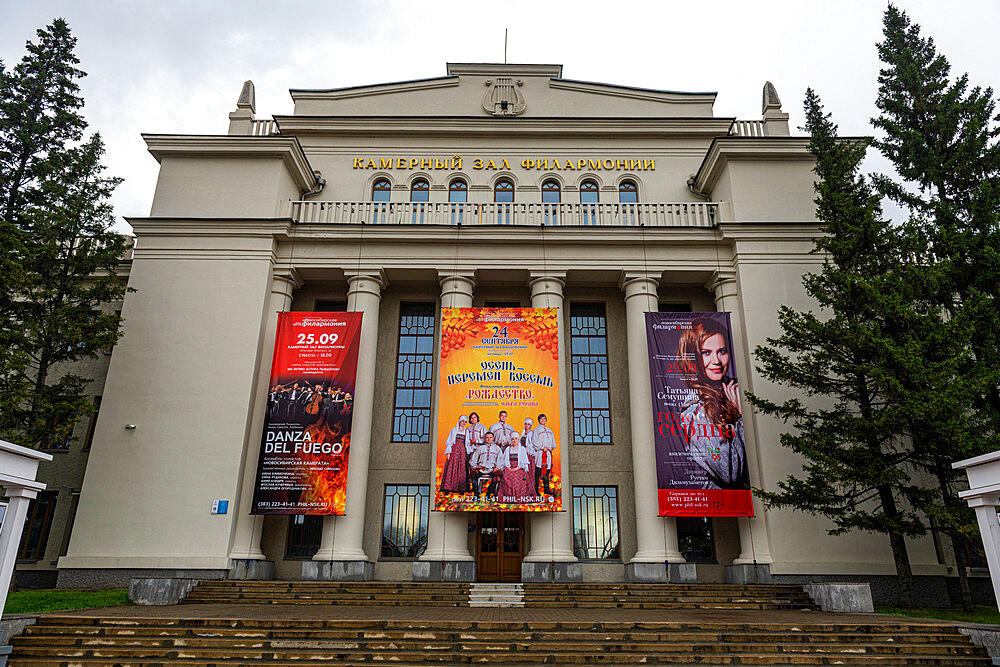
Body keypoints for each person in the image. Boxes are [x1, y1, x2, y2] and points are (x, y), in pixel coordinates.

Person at [677, 317, 748, 490]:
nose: (716, 361)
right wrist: (741, 418)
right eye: (706, 352)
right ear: (693, 357)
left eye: (722, 351)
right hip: (718, 509)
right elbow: (729, 473)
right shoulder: (696, 411)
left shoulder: (736, 391)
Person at [498, 430, 533, 502]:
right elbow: (505, 460)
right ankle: (509, 496)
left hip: (519, 468)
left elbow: (524, 461)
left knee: (517, 476)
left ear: (518, 439)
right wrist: (508, 468)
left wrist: (517, 468)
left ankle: (518, 496)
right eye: (513, 439)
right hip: (509, 467)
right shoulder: (508, 449)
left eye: (516, 439)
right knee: (506, 474)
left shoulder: (522, 449)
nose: (514, 440)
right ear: (511, 440)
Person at [440, 415, 470, 494]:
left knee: (462, 468)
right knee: (452, 467)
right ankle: (448, 488)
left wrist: (467, 452)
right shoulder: (454, 430)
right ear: (460, 421)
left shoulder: (466, 432)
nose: (464, 423)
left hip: (462, 451)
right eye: (462, 421)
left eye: (465, 422)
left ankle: (461, 489)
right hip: (454, 450)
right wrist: (449, 453)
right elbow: (449, 442)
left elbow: (467, 443)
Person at [470, 430, 503, 499]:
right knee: (473, 475)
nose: (489, 439)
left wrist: (497, 467)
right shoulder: (480, 448)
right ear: (485, 438)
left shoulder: (497, 448)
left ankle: (489, 493)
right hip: (481, 468)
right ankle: (476, 495)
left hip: (492, 469)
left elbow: (501, 460)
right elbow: (473, 459)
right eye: (487, 437)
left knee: (498, 477)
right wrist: (475, 467)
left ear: (493, 438)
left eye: (490, 437)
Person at [532, 413, 556, 495]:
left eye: (544, 419)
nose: (543, 420)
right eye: (541, 419)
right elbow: (534, 441)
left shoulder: (549, 431)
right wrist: (542, 447)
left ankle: (546, 489)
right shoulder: (536, 430)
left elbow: (553, 442)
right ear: (539, 420)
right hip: (540, 453)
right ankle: (536, 490)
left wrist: (552, 447)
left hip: (548, 454)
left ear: (546, 420)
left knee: (547, 471)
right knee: (538, 471)